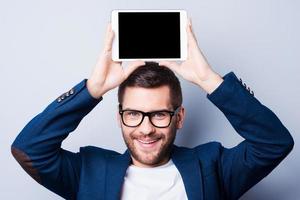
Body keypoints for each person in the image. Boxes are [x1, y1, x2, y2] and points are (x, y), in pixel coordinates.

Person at [11, 18, 294, 200]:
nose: (145, 129)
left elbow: (274, 143)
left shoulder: (214, 167)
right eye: (133, 114)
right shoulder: (89, 172)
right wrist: (92, 89)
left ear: (179, 117)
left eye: (159, 114)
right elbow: (29, 148)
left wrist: (211, 81)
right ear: (120, 117)